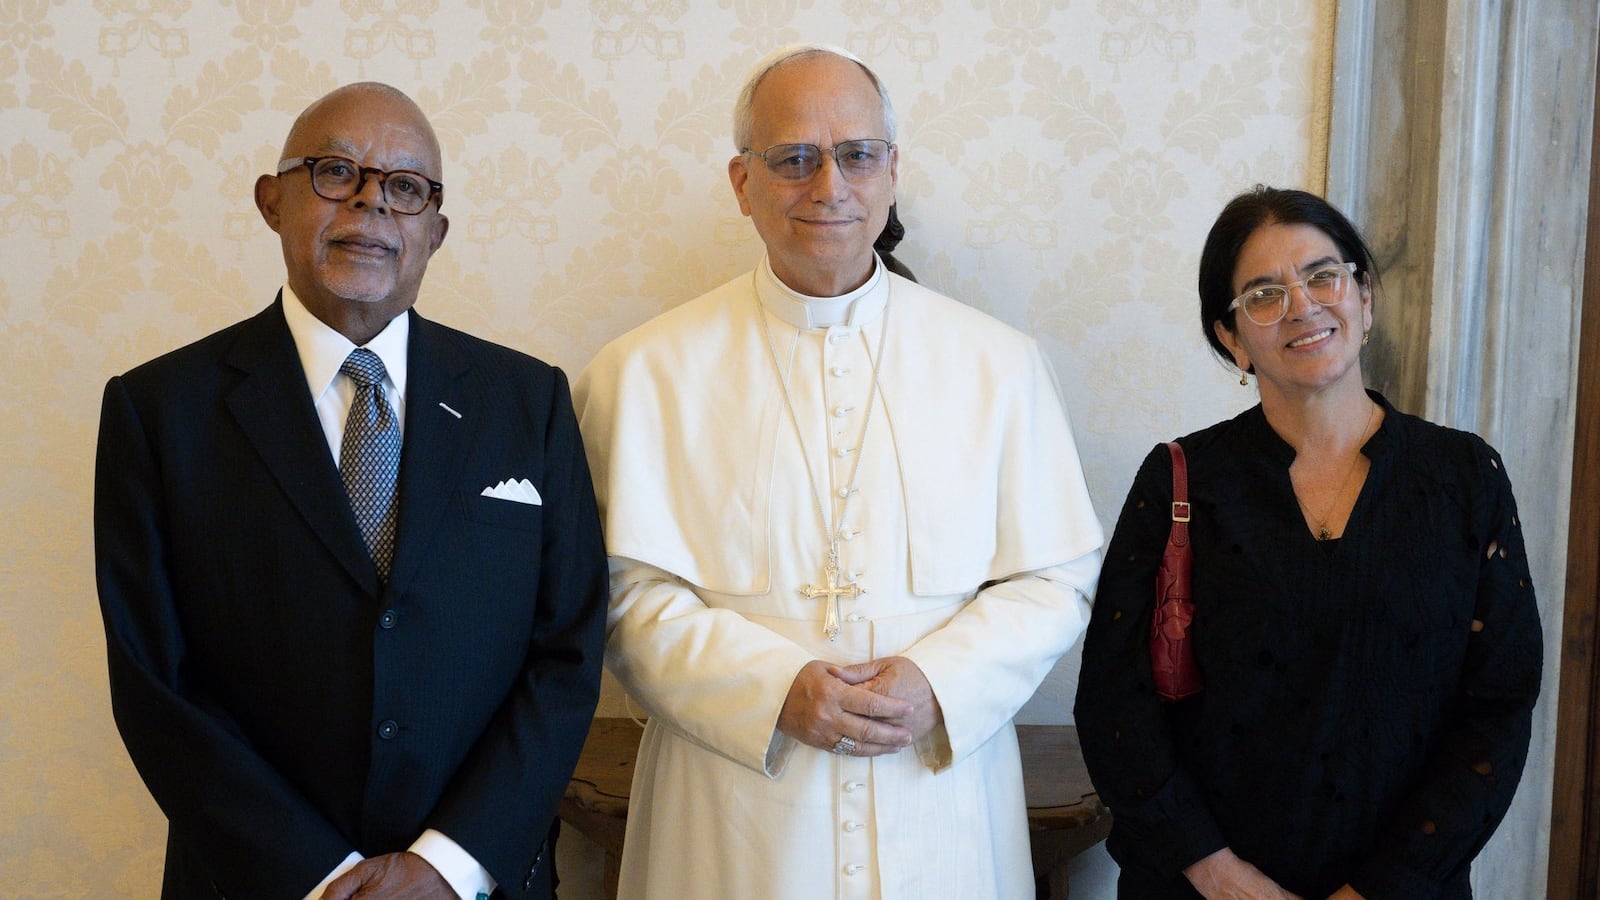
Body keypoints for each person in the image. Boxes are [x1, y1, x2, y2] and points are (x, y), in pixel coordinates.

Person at [573, 43, 1105, 899]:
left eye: (856, 155)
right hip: (734, 813)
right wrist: (774, 690)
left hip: (939, 802)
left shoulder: (997, 365)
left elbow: (1057, 573)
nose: (829, 187)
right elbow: (617, 592)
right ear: (742, 183)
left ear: (892, 173)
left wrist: (939, 682)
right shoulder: (643, 373)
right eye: (794, 159)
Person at [93, 82, 608, 900]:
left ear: (435, 231)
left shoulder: (527, 401)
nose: (371, 203)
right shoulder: (159, 410)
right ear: (272, 201)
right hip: (253, 881)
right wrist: (319, 876)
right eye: (336, 171)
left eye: (405, 188)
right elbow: (156, 679)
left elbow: (570, 651)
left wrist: (448, 863)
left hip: (477, 882)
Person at [1074, 186, 1542, 899]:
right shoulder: (1181, 480)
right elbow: (1115, 704)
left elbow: (1499, 705)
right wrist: (1220, 875)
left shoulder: (1463, 477)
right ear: (1231, 336)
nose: (1302, 305)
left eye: (1323, 275)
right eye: (1263, 293)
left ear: (1364, 297)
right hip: (1202, 890)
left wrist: (1384, 886)